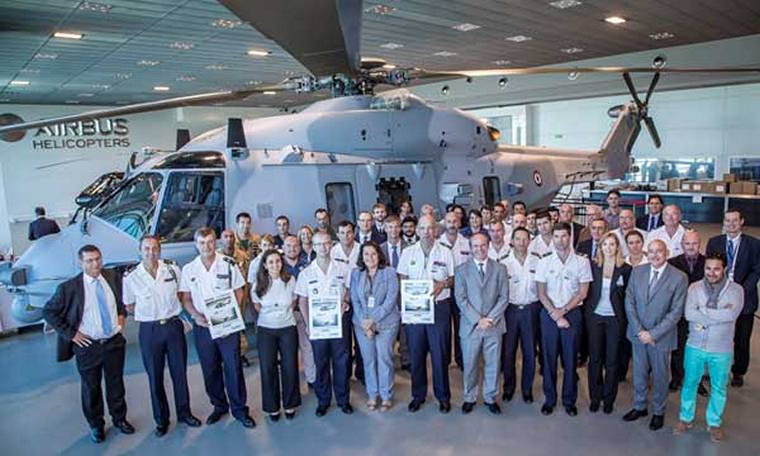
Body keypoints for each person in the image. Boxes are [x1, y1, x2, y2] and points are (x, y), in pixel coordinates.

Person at [43, 244, 133, 443]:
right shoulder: (69, 288)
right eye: (90, 260)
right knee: (91, 388)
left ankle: (119, 419)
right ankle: (96, 425)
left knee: (116, 384)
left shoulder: (113, 277)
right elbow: (48, 311)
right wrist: (71, 334)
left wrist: (121, 317)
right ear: (80, 263)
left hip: (113, 342)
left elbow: (121, 302)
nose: (95, 264)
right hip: (88, 347)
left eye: (98, 259)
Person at [123, 236, 201, 437]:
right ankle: (161, 420)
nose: (151, 252)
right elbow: (129, 306)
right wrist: (149, 314)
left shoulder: (172, 270)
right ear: (140, 250)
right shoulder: (131, 277)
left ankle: (184, 413)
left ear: (160, 250)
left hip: (173, 327)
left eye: (155, 248)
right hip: (149, 330)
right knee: (155, 377)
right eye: (147, 248)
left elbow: (180, 295)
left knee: (179, 373)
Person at [180, 228, 254, 428]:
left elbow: (239, 291)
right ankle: (219, 406)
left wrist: (233, 314)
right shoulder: (189, 269)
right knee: (210, 369)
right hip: (203, 327)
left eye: (211, 241)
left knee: (233, 367)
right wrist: (196, 316)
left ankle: (240, 410)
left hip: (227, 325)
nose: (207, 246)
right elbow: (185, 298)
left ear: (216, 242)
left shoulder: (228, 264)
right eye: (202, 243)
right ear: (196, 245)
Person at [673, 253, 744, 443]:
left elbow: (731, 315)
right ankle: (685, 418)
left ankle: (714, 422)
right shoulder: (694, 287)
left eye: (716, 269)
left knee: (719, 387)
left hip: (721, 349)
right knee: (689, 383)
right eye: (708, 268)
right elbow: (689, 314)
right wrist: (719, 313)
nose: (711, 273)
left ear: (724, 269)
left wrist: (702, 311)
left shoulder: (736, 290)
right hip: (695, 345)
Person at [623, 239, 688, 431]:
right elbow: (629, 302)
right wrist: (640, 331)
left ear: (666, 252)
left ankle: (659, 411)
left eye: (659, 251)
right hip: (638, 334)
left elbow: (676, 312)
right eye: (651, 251)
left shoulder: (679, 277)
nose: (655, 255)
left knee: (660, 376)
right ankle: (640, 406)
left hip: (661, 337)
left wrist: (653, 334)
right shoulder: (637, 272)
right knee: (639, 373)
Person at [397, 214, 455, 413]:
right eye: (422, 228)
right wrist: (411, 298)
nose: (426, 232)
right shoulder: (408, 253)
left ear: (436, 230)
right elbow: (402, 278)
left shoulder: (445, 252)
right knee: (416, 354)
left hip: (439, 307)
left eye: (430, 228)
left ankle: (443, 396)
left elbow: (453, 279)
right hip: (416, 308)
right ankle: (418, 395)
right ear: (417, 230)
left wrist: (443, 284)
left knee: (440, 354)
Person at [535, 222, 592, 416]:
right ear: (553, 238)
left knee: (570, 360)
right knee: (548, 359)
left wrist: (563, 311)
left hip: (572, 314)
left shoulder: (582, 262)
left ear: (570, 237)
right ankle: (549, 400)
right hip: (549, 314)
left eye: (564, 236)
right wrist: (555, 313)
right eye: (557, 236)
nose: (560, 240)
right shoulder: (544, 262)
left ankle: (569, 401)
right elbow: (541, 293)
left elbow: (583, 293)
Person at [295, 232, 353, 417]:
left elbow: (349, 289)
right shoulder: (306, 273)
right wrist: (308, 324)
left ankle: (343, 400)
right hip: (317, 325)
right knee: (320, 363)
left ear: (331, 245)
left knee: (341, 361)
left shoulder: (343, 268)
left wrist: (346, 300)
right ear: (313, 246)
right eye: (319, 244)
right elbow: (302, 301)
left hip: (339, 322)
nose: (323, 248)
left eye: (327, 243)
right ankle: (323, 400)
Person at [705, 208, 760, 388]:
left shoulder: (754, 244)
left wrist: (740, 290)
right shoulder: (714, 242)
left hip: (745, 297)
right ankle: (714, 369)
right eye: (727, 220)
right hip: (718, 297)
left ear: (741, 221)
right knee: (717, 336)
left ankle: (738, 371)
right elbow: (709, 269)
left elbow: (756, 270)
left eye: (735, 220)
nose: (731, 224)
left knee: (742, 339)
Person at [455, 233, 509, 415]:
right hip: (471, 326)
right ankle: (469, 397)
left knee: (493, 364)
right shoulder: (461, 270)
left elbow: (504, 297)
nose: (480, 249)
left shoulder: (500, 269)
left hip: (494, 325)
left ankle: (490, 397)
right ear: (470, 248)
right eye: (476, 246)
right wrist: (478, 319)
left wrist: (490, 319)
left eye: (483, 245)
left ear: (489, 245)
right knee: (470, 365)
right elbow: (461, 299)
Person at [251, 249, 301, 421]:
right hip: (266, 330)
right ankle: (272, 407)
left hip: (287, 328)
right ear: (265, 265)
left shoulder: (290, 280)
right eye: (271, 262)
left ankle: (290, 404)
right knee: (267, 368)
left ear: (282, 262)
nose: (275, 265)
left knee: (290, 366)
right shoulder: (258, 284)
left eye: (278, 261)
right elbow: (257, 306)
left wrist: (282, 313)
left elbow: (294, 302)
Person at [351, 242, 401, 412]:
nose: (370, 257)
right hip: (362, 325)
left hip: (386, 323)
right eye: (366, 254)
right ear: (362, 256)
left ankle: (386, 395)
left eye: (373, 253)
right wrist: (365, 323)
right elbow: (355, 300)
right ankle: (372, 394)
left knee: (384, 358)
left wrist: (372, 320)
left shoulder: (389, 273)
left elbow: (390, 301)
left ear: (379, 255)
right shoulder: (356, 274)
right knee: (369, 360)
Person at [585, 233, 631, 414]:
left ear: (617, 247)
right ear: (600, 247)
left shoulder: (625, 269)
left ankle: (609, 399)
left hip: (615, 320)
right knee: (595, 359)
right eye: (605, 244)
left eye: (612, 244)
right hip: (595, 317)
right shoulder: (593, 266)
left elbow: (629, 296)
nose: (609, 248)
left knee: (612, 361)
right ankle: (595, 398)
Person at [502, 227, 539, 403]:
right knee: (508, 352)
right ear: (512, 241)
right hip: (510, 310)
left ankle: (527, 389)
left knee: (529, 352)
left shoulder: (538, 261)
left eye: (525, 239)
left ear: (529, 241)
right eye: (518, 239)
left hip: (531, 310)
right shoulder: (503, 262)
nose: (521, 243)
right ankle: (508, 387)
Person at [668, 230, 705, 391]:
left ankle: (697, 380)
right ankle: (676, 377)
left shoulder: (708, 263)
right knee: (678, 346)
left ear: (700, 244)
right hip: (679, 312)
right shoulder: (672, 263)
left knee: (699, 348)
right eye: (687, 243)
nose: (691, 246)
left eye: (694, 243)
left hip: (701, 313)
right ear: (682, 245)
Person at [439, 211, 471, 370]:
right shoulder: (437, 243)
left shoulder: (467, 243)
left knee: (461, 327)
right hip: (442, 291)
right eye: (449, 221)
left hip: (462, 291)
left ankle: (461, 359)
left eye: (455, 221)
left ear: (459, 223)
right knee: (444, 329)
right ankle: (444, 361)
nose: (452, 224)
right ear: (444, 223)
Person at [282, 235, 316, 388]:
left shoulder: (307, 266)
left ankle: (312, 378)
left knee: (308, 347)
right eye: (288, 246)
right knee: (287, 351)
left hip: (304, 312)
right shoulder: (278, 265)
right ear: (283, 248)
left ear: (300, 247)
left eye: (295, 245)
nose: (292, 249)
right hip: (285, 314)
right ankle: (291, 383)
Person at [220, 228, 254, 367]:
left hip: (241, 295)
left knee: (240, 325)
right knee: (225, 327)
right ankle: (225, 356)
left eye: (231, 236)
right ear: (221, 239)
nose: (229, 239)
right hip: (223, 298)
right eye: (226, 236)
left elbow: (249, 275)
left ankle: (241, 354)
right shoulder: (217, 257)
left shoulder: (242, 256)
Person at [381, 215, 411, 370]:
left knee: (406, 327)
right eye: (390, 227)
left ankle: (407, 359)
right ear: (385, 228)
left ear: (400, 228)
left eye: (396, 226)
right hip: (386, 296)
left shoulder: (410, 248)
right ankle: (387, 360)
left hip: (406, 293)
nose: (393, 230)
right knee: (388, 327)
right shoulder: (379, 250)